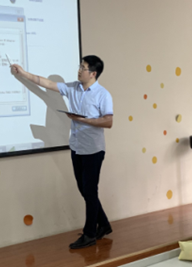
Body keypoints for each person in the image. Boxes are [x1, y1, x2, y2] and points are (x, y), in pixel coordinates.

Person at [10, 55, 113, 249]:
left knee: (90, 191)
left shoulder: (103, 94)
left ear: (93, 73)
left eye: (83, 68)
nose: (79, 70)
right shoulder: (72, 88)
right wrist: (22, 73)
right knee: (84, 190)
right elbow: (46, 84)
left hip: (93, 150)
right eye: (80, 66)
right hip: (77, 148)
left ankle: (90, 234)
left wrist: (82, 119)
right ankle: (104, 224)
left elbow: (108, 121)